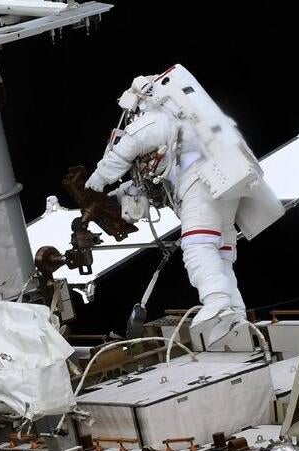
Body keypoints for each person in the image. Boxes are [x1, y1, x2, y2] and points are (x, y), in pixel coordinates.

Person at [83, 65, 283, 335]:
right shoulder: (187, 123)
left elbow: (126, 147)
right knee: (220, 254)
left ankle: (217, 304)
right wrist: (115, 197)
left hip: (201, 185)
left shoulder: (158, 117)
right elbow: (151, 184)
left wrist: (96, 181)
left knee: (197, 246)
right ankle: (234, 314)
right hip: (224, 185)